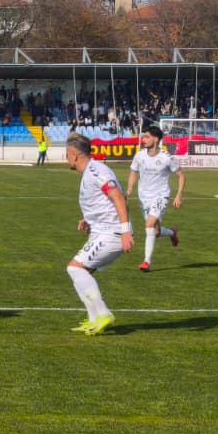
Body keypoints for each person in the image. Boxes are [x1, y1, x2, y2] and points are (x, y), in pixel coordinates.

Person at [63, 132, 135, 335]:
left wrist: (125, 232)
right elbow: (104, 202)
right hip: (102, 231)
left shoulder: (96, 171)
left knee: (75, 269)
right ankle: (94, 319)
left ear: (74, 155)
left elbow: (119, 198)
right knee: (80, 273)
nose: (66, 158)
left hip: (112, 233)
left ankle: (103, 314)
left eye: (67, 154)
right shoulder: (90, 172)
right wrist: (89, 220)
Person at [126, 125, 184, 272]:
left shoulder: (166, 157)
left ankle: (146, 262)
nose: (143, 139)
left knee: (149, 225)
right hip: (144, 197)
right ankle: (172, 233)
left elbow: (181, 176)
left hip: (160, 196)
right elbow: (133, 172)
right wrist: (130, 187)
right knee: (156, 232)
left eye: (147, 136)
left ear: (156, 139)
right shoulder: (139, 155)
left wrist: (178, 196)